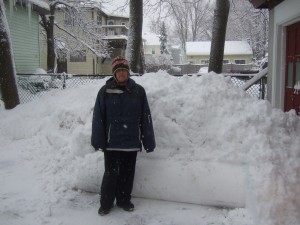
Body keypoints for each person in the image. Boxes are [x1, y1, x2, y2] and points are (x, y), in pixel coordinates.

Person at [91, 55, 156, 216]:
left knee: (127, 173)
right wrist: (98, 140)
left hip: (131, 142)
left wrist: (148, 141)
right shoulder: (105, 91)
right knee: (110, 174)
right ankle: (106, 203)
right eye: (118, 71)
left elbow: (145, 117)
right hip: (112, 142)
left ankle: (123, 200)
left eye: (124, 70)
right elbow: (98, 117)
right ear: (114, 73)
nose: (121, 73)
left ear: (128, 72)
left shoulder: (138, 91)